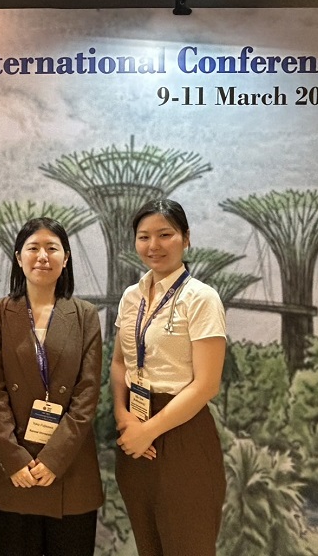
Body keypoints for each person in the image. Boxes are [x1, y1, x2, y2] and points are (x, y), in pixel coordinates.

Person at [0, 217, 104, 556]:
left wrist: (54, 459)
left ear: (66, 258)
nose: (43, 256)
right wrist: (14, 458)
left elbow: (87, 394)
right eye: (33, 248)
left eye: (52, 248)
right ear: (19, 257)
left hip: (71, 470)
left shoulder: (85, 315)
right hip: (13, 471)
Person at [110, 198, 226, 556]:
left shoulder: (201, 298)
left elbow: (206, 384)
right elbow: (118, 363)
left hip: (183, 432)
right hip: (134, 432)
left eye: (165, 235)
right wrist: (123, 417)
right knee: (149, 545)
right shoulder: (131, 297)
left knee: (188, 545)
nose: (154, 245)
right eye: (144, 236)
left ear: (186, 238)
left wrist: (149, 430)